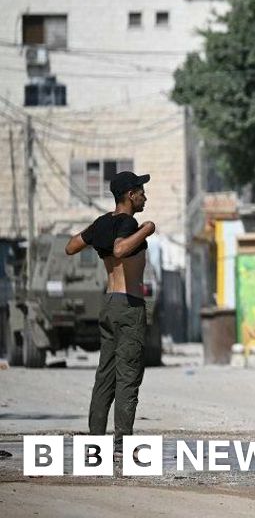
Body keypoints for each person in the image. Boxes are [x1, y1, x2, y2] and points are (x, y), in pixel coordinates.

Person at [64, 171, 156, 455]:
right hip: (128, 305)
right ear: (130, 195)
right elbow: (120, 249)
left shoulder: (102, 223)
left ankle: (95, 439)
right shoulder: (130, 223)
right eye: (141, 192)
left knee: (105, 375)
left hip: (109, 304)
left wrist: (95, 232)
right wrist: (148, 228)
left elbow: (71, 246)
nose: (144, 197)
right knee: (128, 374)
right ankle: (121, 442)